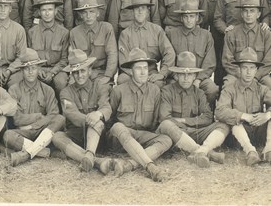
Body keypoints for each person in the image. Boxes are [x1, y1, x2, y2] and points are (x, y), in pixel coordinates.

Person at [107, 48, 172, 181]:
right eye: (138, 68)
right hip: (120, 138)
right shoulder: (118, 91)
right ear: (131, 71)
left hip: (142, 136)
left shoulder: (155, 91)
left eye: (145, 68)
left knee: (166, 140)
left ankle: (130, 164)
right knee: (118, 126)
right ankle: (150, 167)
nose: (143, 72)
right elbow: (110, 120)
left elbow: (155, 121)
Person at [157, 51, 229, 168]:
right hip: (177, 134)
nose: (186, 78)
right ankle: (205, 152)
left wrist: (184, 121)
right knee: (166, 125)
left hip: (195, 132)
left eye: (190, 74)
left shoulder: (199, 93)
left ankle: (201, 151)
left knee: (224, 124)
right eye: (182, 74)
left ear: (195, 76)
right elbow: (164, 118)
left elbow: (208, 117)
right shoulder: (167, 91)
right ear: (176, 75)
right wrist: (186, 124)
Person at [50, 49, 111, 173]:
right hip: (76, 135)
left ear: (90, 70)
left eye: (83, 70)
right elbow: (72, 114)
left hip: (97, 136)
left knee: (97, 122)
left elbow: (106, 108)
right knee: (56, 136)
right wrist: (90, 119)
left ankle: (89, 155)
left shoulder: (99, 86)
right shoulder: (66, 92)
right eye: (75, 72)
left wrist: (98, 114)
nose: (80, 75)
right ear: (71, 74)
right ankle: (95, 160)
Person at [4, 48, 63, 167]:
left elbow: (53, 115)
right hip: (23, 132)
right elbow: (17, 119)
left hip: (42, 131)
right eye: (26, 68)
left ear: (39, 69)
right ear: (21, 70)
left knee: (60, 119)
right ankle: (45, 152)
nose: (30, 72)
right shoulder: (14, 90)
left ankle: (26, 154)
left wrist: (33, 125)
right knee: (7, 136)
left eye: (34, 68)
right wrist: (39, 116)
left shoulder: (48, 90)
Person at [215, 47, 271, 165]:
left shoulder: (261, 89)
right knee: (234, 121)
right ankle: (251, 152)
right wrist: (243, 116)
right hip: (237, 137)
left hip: (258, 132)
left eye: (252, 68)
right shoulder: (229, 89)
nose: (248, 72)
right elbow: (219, 111)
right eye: (245, 68)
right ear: (239, 70)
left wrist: (266, 115)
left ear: (256, 70)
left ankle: (268, 150)